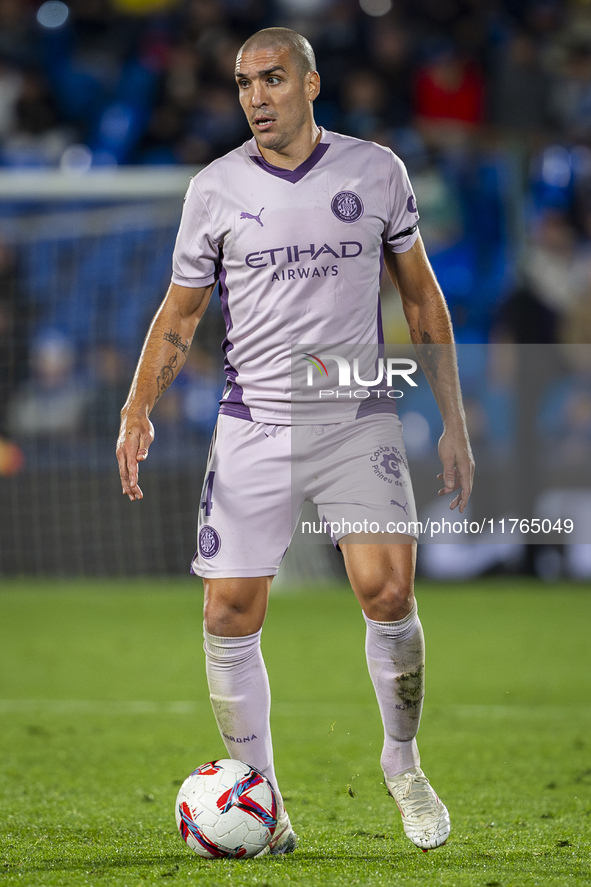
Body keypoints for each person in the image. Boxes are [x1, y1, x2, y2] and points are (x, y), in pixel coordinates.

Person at [116, 27, 474, 855]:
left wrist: (453, 420)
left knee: (386, 594)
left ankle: (403, 762)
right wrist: (139, 405)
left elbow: (422, 301)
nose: (255, 97)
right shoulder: (213, 188)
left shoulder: (375, 170)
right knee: (228, 611)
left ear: (310, 84)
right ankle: (265, 803)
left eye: (272, 79)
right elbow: (180, 316)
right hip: (255, 419)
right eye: (244, 83)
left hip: (353, 411)